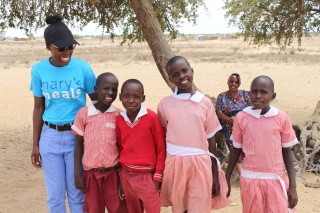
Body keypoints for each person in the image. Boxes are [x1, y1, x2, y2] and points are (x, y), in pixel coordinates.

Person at [30, 14, 97, 213]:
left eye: (71, 46)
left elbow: (96, 102)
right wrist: (35, 145)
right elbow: (38, 108)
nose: (67, 51)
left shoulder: (83, 68)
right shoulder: (38, 70)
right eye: (61, 48)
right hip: (49, 138)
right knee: (55, 196)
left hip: (76, 137)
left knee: (77, 192)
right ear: (48, 47)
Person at [157, 56, 232, 213]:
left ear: (192, 71)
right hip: (175, 165)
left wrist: (214, 174)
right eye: (175, 74)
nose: (182, 76)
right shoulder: (165, 104)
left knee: (198, 206)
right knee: (179, 206)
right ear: (171, 79)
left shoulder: (204, 103)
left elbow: (211, 139)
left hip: (200, 164)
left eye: (184, 71)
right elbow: (164, 137)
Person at [226, 75, 298, 213]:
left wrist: (293, 187)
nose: (258, 96)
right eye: (254, 91)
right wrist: (226, 178)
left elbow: (287, 152)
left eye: (264, 92)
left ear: (273, 95)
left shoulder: (281, 118)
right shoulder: (242, 118)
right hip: (250, 179)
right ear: (249, 93)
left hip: (274, 179)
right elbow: (235, 150)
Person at [72, 72, 127, 213]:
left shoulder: (119, 115)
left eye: (114, 89)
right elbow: (78, 144)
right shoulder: (84, 113)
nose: (110, 92)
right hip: (91, 174)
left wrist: (122, 177)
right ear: (96, 89)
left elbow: (122, 147)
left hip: (113, 174)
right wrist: (77, 174)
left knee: (119, 209)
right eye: (106, 88)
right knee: (93, 209)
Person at [116, 79, 166, 213]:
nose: (131, 100)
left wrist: (158, 176)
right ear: (120, 97)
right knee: (133, 210)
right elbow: (121, 148)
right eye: (126, 96)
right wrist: (121, 177)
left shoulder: (151, 118)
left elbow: (161, 148)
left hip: (147, 176)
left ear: (143, 98)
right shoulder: (119, 119)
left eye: (136, 97)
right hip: (127, 175)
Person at [215, 73, 251, 176]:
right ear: (228, 82)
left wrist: (240, 118)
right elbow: (219, 113)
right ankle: (243, 177)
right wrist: (231, 120)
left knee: (248, 151)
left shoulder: (245, 95)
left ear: (239, 84)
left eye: (236, 82)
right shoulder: (221, 97)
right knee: (236, 153)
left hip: (245, 127)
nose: (233, 84)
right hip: (230, 128)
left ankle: (250, 175)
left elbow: (252, 109)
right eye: (231, 81)